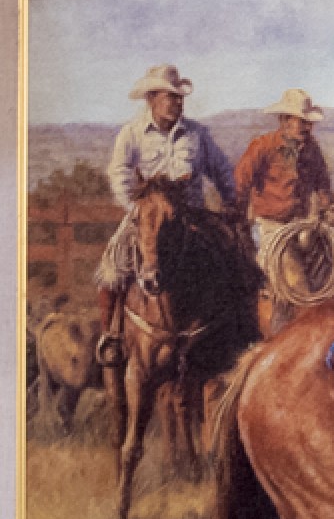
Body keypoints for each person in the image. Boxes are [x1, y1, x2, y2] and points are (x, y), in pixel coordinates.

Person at [94, 64, 246, 367]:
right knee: (114, 262)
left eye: (179, 98)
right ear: (152, 99)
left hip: (192, 215)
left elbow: (221, 169)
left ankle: (236, 329)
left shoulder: (196, 134)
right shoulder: (132, 133)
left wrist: (231, 201)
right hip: (147, 216)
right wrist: (137, 209)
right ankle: (111, 335)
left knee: (233, 254)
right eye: (170, 97)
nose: (177, 103)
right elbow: (119, 173)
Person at [234, 88, 334, 256]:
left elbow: (322, 184)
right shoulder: (262, 146)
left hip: (302, 225)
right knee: (290, 266)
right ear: (285, 120)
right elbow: (239, 183)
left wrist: (330, 210)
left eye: (309, 123)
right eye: (302, 121)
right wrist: (239, 222)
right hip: (269, 226)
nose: (308, 127)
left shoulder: (312, 149)